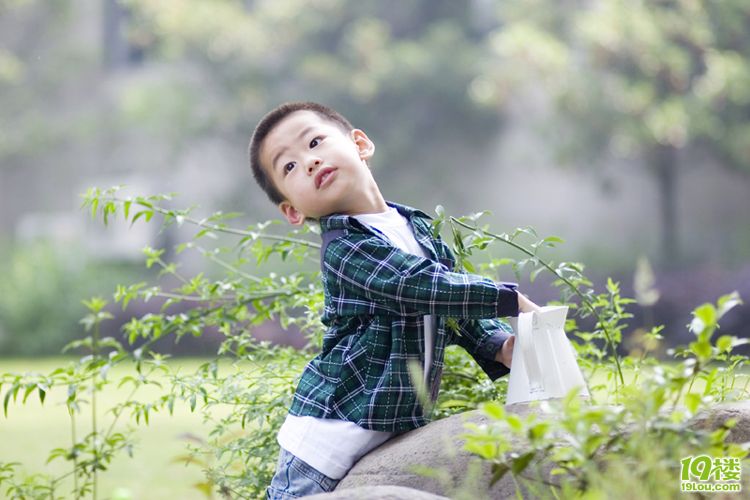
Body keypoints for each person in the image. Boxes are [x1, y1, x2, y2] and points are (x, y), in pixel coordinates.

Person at [247, 101, 540, 499]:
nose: (310, 161)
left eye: (315, 142)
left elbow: (451, 302)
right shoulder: (345, 248)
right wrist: (509, 300)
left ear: (361, 144)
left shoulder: (415, 227)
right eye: (290, 167)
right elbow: (416, 285)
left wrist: (498, 345)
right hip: (325, 445)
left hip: (386, 434)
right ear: (292, 211)